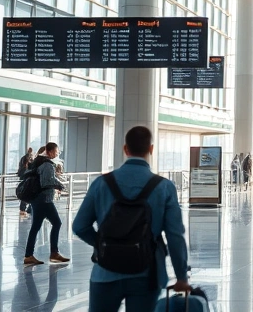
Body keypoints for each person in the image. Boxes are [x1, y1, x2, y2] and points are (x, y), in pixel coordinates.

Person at [72, 126, 190, 311]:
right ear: (151, 149)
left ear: (125, 149)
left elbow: (79, 226)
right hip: (146, 273)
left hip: (105, 272)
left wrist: (104, 245)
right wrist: (181, 276)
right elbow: (175, 236)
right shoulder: (164, 187)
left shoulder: (101, 183)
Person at [23, 142, 69, 266]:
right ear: (49, 152)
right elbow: (46, 182)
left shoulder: (38, 162)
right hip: (44, 200)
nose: (57, 153)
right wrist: (60, 185)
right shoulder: (47, 165)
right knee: (57, 223)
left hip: (37, 199)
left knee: (35, 227)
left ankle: (29, 255)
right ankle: (54, 253)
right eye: (56, 151)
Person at [18, 147, 35, 217]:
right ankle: (26, 208)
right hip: (28, 178)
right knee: (28, 193)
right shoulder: (30, 159)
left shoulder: (23, 158)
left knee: (26, 193)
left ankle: (24, 209)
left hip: (24, 177)